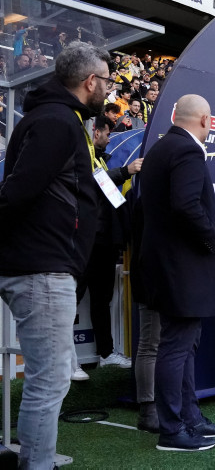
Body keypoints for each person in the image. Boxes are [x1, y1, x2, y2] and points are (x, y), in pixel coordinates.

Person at [0, 41, 110, 469]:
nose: (109, 88)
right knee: (48, 382)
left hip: (42, 263)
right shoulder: (58, 122)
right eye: (105, 80)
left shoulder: (57, 119)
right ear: (89, 82)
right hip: (42, 267)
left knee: (48, 381)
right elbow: (18, 191)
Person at [138, 94, 215, 451]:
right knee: (177, 347)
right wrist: (213, 239)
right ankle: (172, 428)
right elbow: (187, 206)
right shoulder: (187, 151)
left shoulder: (163, 149)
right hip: (182, 267)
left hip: (167, 266)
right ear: (205, 120)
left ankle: (189, 419)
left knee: (184, 345)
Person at [77, 115, 143, 373]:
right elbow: (94, 183)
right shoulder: (82, 156)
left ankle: (105, 352)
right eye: (106, 133)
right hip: (86, 241)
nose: (108, 137)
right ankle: (68, 361)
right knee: (73, 298)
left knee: (101, 299)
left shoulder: (100, 158)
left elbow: (111, 197)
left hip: (104, 242)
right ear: (95, 132)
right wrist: (127, 171)